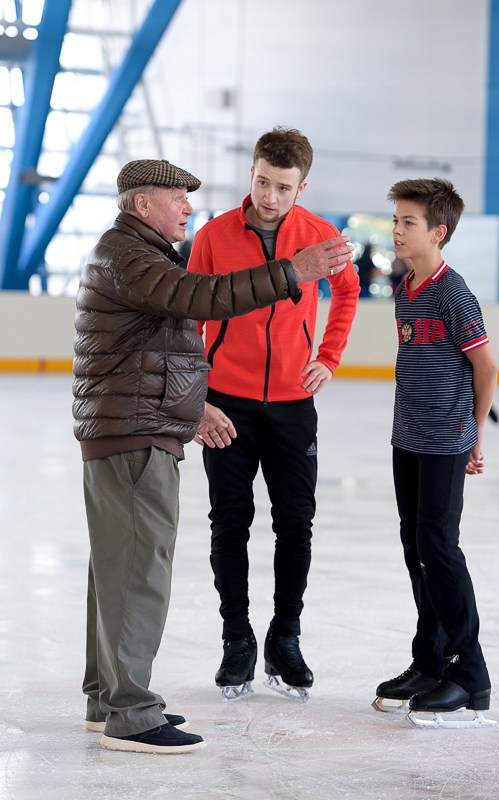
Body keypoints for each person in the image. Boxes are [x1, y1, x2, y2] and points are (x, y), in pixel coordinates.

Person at [72, 158, 353, 754]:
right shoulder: (131, 255)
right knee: (138, 571)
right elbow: (202, 298)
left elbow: (164, 342)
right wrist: (289, 272)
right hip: (133, 432)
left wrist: (191, 406)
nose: (189, 209)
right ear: (143, 203)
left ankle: (107, 699)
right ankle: (130, 712)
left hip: (138, 425)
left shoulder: (136, 252)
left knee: (118, 570)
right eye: (178, 200)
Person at [187, 127, 360, 700]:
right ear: (253, 174)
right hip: (226, 403)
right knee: (229, 520)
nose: (269, 196)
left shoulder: (318, 236)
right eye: (262, 182)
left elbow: (349, 291)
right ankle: (237, 637)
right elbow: (188, 315)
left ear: (301, 186)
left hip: (292, 404)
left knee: (296, 522)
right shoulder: (213, 235)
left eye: (283, 187)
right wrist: (200, 396)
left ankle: (286, 636)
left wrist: (329, 357)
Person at [373, 178, 498, 726]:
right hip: (408, 436)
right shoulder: (407, 289)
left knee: (438, 547)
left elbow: (486, 367)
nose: (398, 231)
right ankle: (430, 662)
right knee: (415, 547)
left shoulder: (454, 293)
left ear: (438, 233)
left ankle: (470, 674)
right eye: (396, 221)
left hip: (446, 438)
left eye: (409, 223)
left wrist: (474, 434)